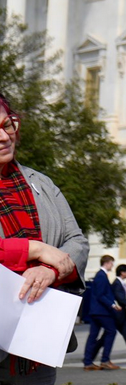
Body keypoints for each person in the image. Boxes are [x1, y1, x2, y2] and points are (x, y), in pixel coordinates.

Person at [0, 92, 88, 384]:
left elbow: (76, 241)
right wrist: (33, 249)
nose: (3, 136)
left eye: (7, 125)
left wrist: (48, 270)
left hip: (37, 347)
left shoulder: (41, 183)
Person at [83, 255, 122, 371]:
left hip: (96, 311)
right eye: (111, 263)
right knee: (111, 331)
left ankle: (88, 362)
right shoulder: (101, 276)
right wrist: (113, 305)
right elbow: (100, 295)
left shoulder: (100, 275)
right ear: (107, 263)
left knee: (93, 336)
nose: (112, 266)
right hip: (102, 311)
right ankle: (105, 360)